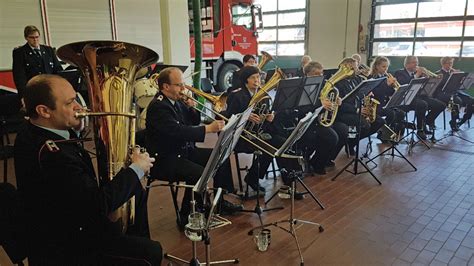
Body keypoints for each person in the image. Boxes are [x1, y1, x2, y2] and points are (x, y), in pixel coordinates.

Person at [14, 74, 162, 265]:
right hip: (67, 245)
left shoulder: (31, 130)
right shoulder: (53, 154)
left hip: (64, 219)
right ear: (44, 111)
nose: (78, 106)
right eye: (69, 103)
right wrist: (136, 169)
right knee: (152, 252)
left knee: (136, 193)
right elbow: (95, 206)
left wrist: (76, 130)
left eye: (76, 98)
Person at [145, 67, 242, 226]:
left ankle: (219, 202)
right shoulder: (158, 106)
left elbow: (192, 122)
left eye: (183, 84)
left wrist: (190, 107)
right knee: (199, 174)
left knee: (220, 157)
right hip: (165, 158)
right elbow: (177, 131)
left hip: (183, 151)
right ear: (166, 87)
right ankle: (187, 215)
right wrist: (208, 129)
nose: (183, 89)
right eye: (179, 85)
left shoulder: (176, 101)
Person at [223, 66, 301, 193]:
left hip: (260, 133)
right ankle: (255, 178)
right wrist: (245, 117)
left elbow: (265, 116)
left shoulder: (263, 95)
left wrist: (270, 117)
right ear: (245, 80)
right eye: (253, 78)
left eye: (258, 77)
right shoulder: (236, 96)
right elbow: (228, 117)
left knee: (283, 142)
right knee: (270, 146)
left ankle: (289, 180)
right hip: (242, 137)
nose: (257, 80)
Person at [331, 57, 385, 157]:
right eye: (355, 68)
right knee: (364, 125)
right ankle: (351, 144)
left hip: (356, 109)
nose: (357, 70)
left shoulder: (357, 79)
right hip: (343, 112)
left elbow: (358, 95)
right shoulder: (337, 83)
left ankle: (353, 141)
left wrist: (366, 94)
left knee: (379, 121)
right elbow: (340, 104)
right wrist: (357, 110)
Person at [393, 56, 445, 139]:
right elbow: (403, 84)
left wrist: (428, 79)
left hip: (419, 97)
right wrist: (417, 75)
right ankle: (420, 129)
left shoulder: (417, 74)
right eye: (414, 62)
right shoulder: (399, 73)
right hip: (406, 99)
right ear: (407, 64)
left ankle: (427, 121)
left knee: (441, 105)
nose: (416, 64)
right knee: (422, 104)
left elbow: (424, 88)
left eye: (417, 62)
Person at [12, 25, 63, 98]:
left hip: (51, 88)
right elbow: (19, 77)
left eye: (37, 37)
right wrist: (23, 96)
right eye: (32, 37)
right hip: (33, 90)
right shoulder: (20, 52)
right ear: (26, 38)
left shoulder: (48, 50)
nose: (35, 40)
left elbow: (58, 69)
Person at [368, 56, 406, 137]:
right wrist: (387, 84)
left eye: (387, 66)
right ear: (377, 66)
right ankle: (382, 133)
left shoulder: (385, 77)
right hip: (375, 105)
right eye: (383, 66)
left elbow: (388, 93)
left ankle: (391, 132)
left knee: (401, 113)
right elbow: (376, 93)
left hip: (384, 103)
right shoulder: (372, 77)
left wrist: (393, 87)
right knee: (391, 113)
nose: (386, 69)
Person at [434, 56, 473, 131]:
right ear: (443, 64)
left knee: (471, 100)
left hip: (455, 92)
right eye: (448, 63)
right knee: (456, 101)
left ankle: (463, 120)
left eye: (451, 63)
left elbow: (459, 85)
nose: (450, 65)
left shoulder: (453, 72)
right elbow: (439, 87)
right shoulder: (438, 73)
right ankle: (453, 122)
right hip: (443, 94)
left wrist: (460, 77)